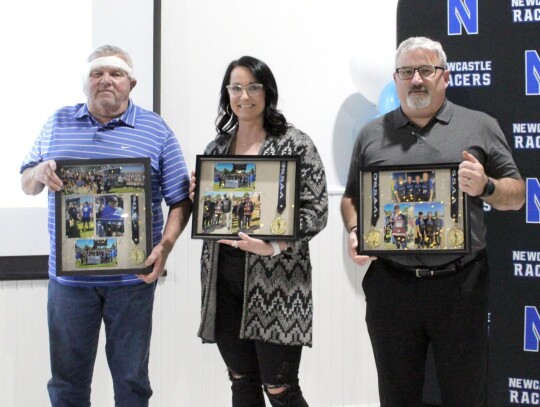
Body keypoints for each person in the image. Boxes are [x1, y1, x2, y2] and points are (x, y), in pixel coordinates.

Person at [340, 37, 525, 406]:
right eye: (407, 72)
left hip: (459, 286)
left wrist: (486, 185)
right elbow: (350, 198)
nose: (417, 80)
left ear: (445, 76)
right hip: (391, 288)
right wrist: (356, 229)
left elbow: (517, 194)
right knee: (396, 395)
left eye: (426, 70)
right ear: (395, 79)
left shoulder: (480, 126)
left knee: (465, 394)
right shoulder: (371, 134)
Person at [20, 45, 191, 407]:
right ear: (85, 83)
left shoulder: (155, 129)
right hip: (69, 283)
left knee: (132, 382)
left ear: (132, 82)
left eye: (115, 73)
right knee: (67, 384)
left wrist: (166, 246)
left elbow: (181, 198)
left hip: (132, 280)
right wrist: (39, 171)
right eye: (96, 74)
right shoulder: (57, 122)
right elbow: (27, 183)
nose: (105, 80)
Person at [192, 56, 328, 406]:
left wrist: (274, 246)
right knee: (242, 381)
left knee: (280, 388)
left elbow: (317, 210)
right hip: (223, 281)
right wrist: (199, 196)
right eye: (236, 88)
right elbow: (214, 214)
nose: (245, 96)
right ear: (227, 94)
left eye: (253, 86)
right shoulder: (216, 149)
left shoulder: (295, 144)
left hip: (278, 284)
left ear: (268, 92)